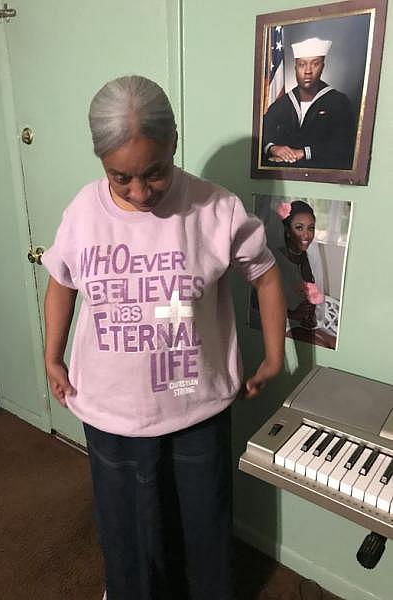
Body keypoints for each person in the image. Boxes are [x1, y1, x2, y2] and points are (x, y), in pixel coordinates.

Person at [41, 75, 286, 600]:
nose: (138, 192)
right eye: (119, 177)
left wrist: (273, 353)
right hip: (111, 411)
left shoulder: (214, 208)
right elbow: (60, 282)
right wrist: (52, 356)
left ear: (173, 141)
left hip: (195, 407)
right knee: (127, 528)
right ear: (100, 161)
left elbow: (265, 274)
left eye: (153, 174)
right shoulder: (84, 211)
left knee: (203, 524)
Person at [262, 37, 355, 169]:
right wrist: (273, 148)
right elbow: (263, 134)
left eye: (315, 64)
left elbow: (343, 146)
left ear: (322, 67)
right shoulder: (282, 104)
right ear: (295, 68)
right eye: (302, 64)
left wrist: (304, 153)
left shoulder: (339, 102)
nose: (307, 71)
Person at [274, 200, 324, 331]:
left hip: (299, 326)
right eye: (299, 227)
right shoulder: (275, 258)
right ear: (288, 230)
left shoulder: (306, 258)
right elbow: (257, 306)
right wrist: (292, 314)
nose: (307, 235)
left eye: (311, 228)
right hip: (278, 327)